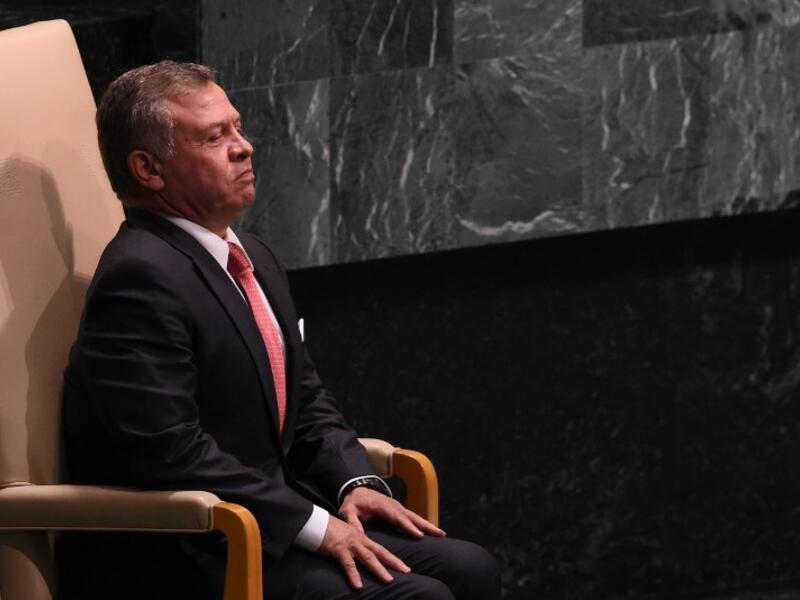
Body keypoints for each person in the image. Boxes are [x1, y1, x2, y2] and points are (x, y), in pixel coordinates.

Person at [58, 61, 500, 600]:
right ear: (149, 169)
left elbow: (304, 396)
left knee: (469, 568)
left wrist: (353, 481)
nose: (243, 147)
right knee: (418, 597)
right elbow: (173, 453)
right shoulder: (138, 278)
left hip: (270, 520)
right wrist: (317, 526)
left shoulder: (252, 255)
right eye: (214, 137)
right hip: (192, 546)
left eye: (238, 128)